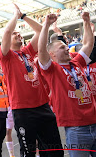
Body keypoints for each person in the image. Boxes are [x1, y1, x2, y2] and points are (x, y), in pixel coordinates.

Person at [0, 3, 63, 157]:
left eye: (20, 33)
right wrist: (15, 15)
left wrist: (23, 16)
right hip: (23, 110)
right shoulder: (6, 56)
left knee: (54, 149)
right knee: (29, 152)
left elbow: (41, 31)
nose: (19, 34)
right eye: (16, 34)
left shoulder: (27, 52)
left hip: (43, 106)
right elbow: (7, 31)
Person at [38, 12, 96, 157]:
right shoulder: (52, 69)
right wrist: (46, 25)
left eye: (66, 46)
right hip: (76, 129)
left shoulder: (77, 62)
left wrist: (86, 22)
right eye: (62, 48)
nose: (67, 48)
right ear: (52, 54)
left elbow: (89, 43)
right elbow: (41, 50)